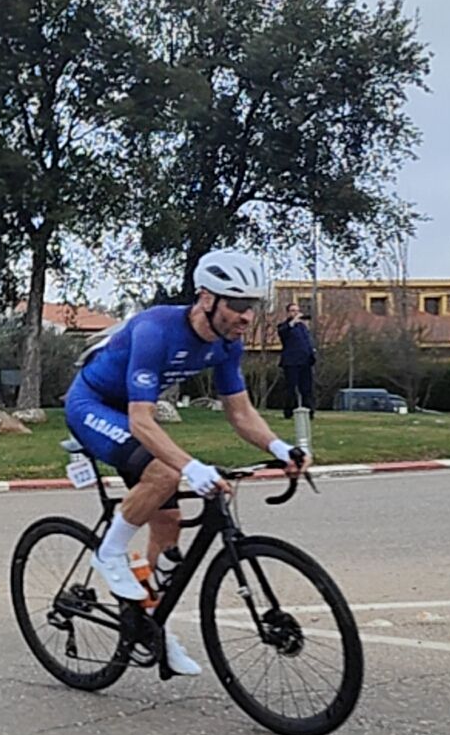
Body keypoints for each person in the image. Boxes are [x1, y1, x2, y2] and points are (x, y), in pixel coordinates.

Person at [64, 250, 311, 676]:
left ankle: (147, 624)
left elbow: (240, 413)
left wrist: (279, 448)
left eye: (252, 307)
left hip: (131, 414)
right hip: (94, 405)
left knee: (169, 524)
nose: (247, 317)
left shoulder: (227, 345)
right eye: (237, 305)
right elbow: (142, 422)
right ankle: (109, 553)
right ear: (206, 300)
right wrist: (192, 468)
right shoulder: (157, 329)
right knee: (166, 473)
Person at [276, 300, 316, 418]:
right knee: (291, 388)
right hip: (291, 362)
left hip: (305, 361)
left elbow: (307, 341)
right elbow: (283, 332)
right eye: (293, 311)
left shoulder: (302, 327)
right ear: (288, 313)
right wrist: (293, 321)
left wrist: (311, 353)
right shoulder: (284, 327)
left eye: (297, 311)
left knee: (307, 388)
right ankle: (289, 412)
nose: (296, 313)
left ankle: (309, 411)